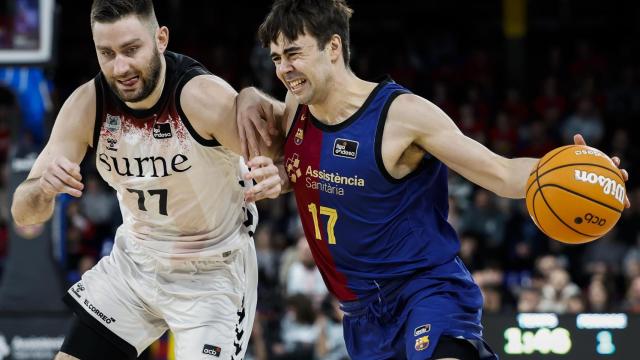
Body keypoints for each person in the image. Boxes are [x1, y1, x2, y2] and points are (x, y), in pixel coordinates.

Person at [236, 0, 631, 359]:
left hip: (426, 291)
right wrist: (278, 165)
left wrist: (585, 176)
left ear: (334, 47)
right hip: (362, 317)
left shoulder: (402, 115)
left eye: (293, 54)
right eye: (275, 58)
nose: (283, 69)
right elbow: (307, 168)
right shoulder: (295, 107)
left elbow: (500, 172)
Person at [10, 0, 283, 359]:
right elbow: (24, 217)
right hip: (136, 265)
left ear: (161, 39)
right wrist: (43, 189)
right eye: (106, 53)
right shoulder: (86, 106)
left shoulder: (201, 97)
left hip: (212, 273)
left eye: (131, 49)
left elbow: (291, 143)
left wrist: (255, 103)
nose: (120, 66)